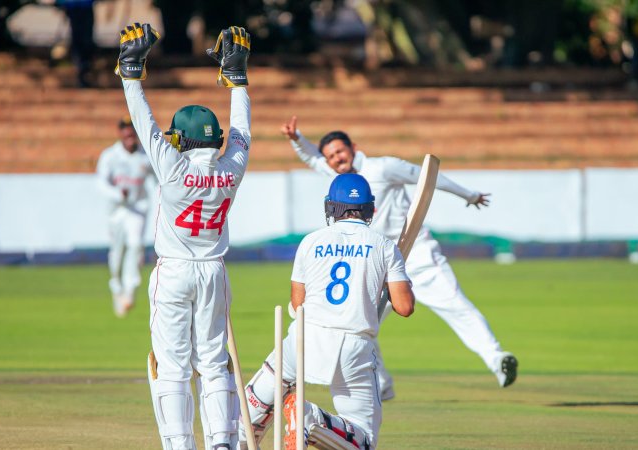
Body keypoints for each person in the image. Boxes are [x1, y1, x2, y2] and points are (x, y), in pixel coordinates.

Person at [281, 116, 518, 395]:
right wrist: (297, 140)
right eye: (330, 156)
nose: (336, 159)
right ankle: (380, 382)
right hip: (372, 259)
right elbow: (312, 158)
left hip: (414, 252)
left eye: (339, 151)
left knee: (455, 304)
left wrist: (468, 194)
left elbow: (428, 177)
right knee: (357, 322)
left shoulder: (383, 167)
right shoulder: (338, 177)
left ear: (353, 147)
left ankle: (496, 358)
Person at [116, 23, 251, 449]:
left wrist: (132, 71)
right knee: (214, 364)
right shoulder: (232, 169)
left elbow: (145, 124)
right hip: (214, 273)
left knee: (171, 367)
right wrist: (238, 77)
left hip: (173, 271)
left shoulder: (172, 168)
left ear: (181, 139)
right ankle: (222, 443)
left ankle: (179, 444)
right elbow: (242, 131)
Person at [240, 173, 415, 449]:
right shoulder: (385, 246)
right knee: (363, 440)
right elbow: (404, 307)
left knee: (265, 390)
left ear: (330, 207)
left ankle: (236, 437)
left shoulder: (310, 242)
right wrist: (399, 285)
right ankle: (313, 419)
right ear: (370, 208)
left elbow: (298, 304)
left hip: (304, 339)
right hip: (353, 347)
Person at [96, 116, 156, 318]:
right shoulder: (110, 156)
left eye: (132, 130)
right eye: (125, 130)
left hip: (138, 207)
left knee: (136, 244)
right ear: (120, 132)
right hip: (116, 211)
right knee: (118, 252)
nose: (129, 134)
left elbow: (158, 180)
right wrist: (116, 193)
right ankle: (117, 287)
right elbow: (101, 183)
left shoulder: (145, 156)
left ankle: (130, 290)